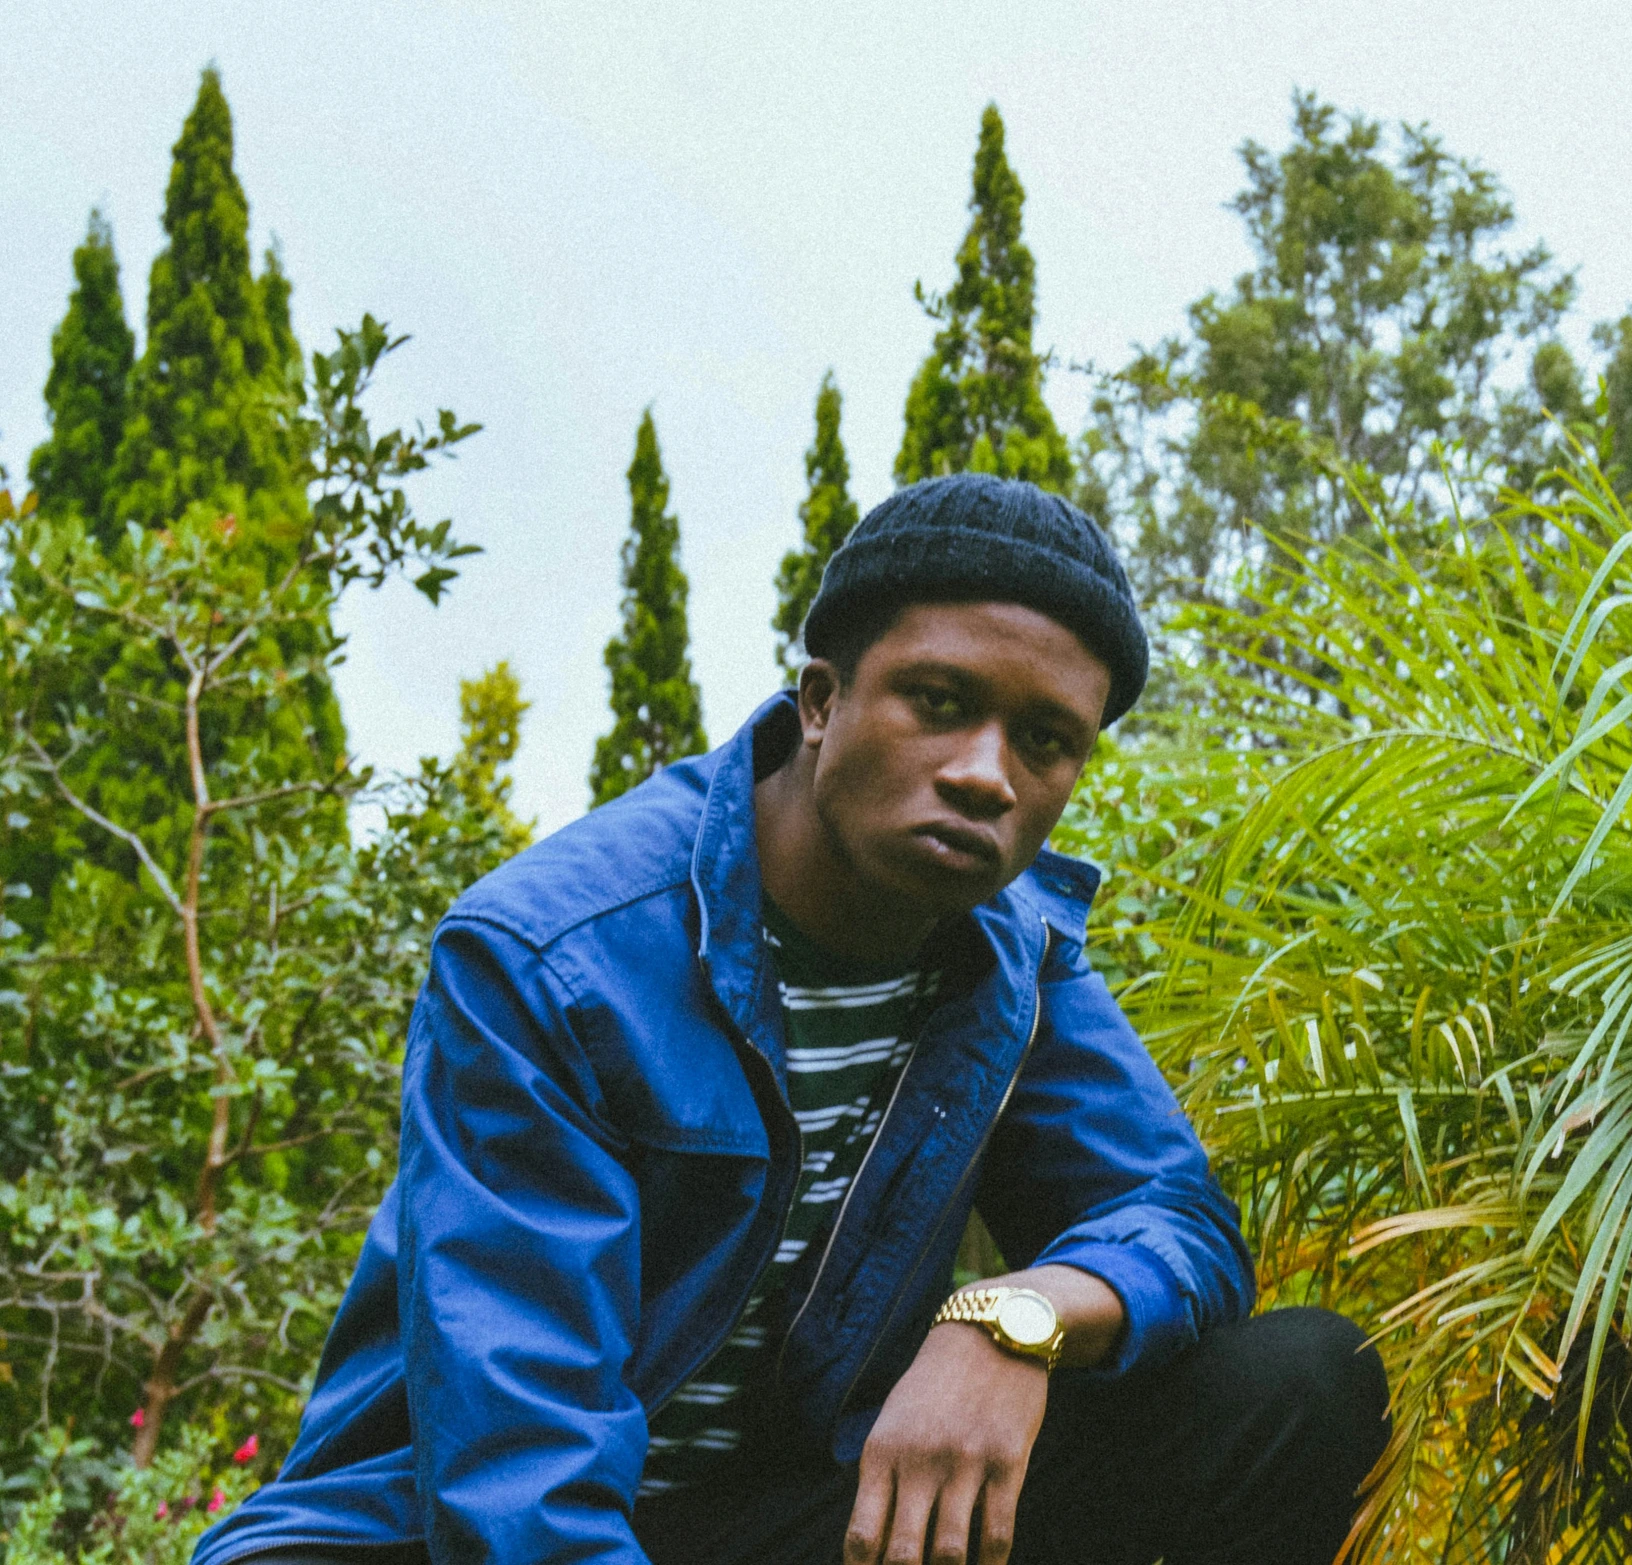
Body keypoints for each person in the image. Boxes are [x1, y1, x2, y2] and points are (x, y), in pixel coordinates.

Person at [192, 474, 1388, 1565]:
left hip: (779, 1513)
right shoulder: (552, 959)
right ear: (821, 699)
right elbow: (518, 1476)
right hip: (448, 1532)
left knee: (1294, 1386)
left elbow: (1172, 1218)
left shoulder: (1010, 954)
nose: (986, 772)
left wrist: (1008, 1318)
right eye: (939, 700)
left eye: (1044, 740)